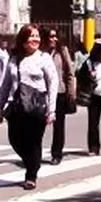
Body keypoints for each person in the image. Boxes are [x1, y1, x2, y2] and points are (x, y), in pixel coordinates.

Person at [0, 25, 59, 189]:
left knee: (34, 142)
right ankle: (32, 162)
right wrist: (0, 107)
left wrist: (52, 110)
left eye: (37, 36)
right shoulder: (14, 59)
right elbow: (5, 84)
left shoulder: (44, 58)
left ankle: (31, 174)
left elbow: (53, 83)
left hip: (37, 107)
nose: (35, 39)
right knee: (15, 139)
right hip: (17, 107)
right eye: (31, 36)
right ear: (23, 40)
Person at [41, 25, 76, 165]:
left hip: (59, 93)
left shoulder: (62, 51)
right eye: (50, 36)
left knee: (59, 126)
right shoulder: (40, 53)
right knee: (39, 125)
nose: (53, 39)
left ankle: (57, 154)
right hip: (42, 93)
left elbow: (69, 72)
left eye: (55, 36)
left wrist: (71, 91)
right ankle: (34, 153)